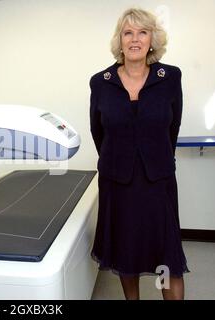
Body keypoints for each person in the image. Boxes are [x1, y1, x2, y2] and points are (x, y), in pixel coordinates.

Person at [89, 7, 190, 300]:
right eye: (128, 32)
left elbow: (173, 126)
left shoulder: (170, 77)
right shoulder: (101, 81)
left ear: (152, 39)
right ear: (120, 41)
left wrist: (155, 157)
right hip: (116, 181)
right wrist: (119, 159)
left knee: (167, 255)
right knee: (126, 249)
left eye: (142, 32)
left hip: (158, 180)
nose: (135, 39)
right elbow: (98, 131)